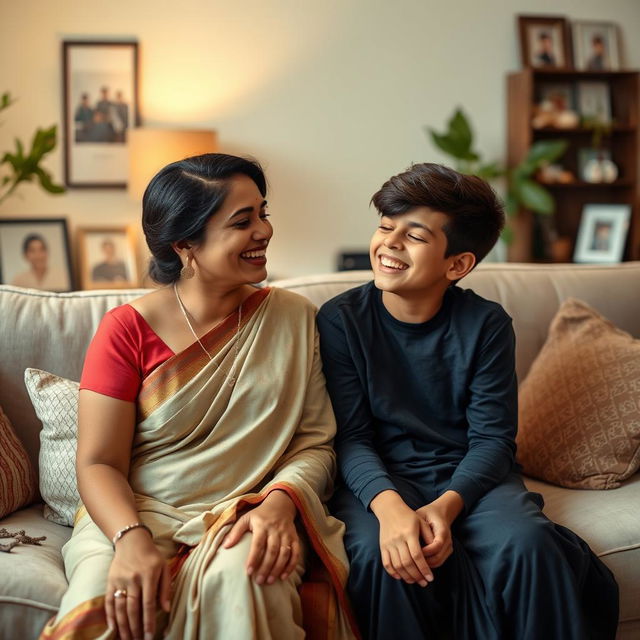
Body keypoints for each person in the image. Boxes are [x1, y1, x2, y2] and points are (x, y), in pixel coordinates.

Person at [40, 154, 358, 640]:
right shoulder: (125, 330)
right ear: (185, 244)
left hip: (246, 510)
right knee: (107, 609)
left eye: (263, 213)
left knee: (247, 578)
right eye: (242, 221)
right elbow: (99, 463)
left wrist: (279, 504)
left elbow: (315, 444)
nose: (265, 231)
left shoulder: (293, 319)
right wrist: (130, 540)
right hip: (134, 513)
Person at [317, 163, 619, 639]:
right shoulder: (340, 320)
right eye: (384, 227)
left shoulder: (487, 324)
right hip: (378, 479)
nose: (390, 243)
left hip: (470, 477)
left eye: (414, 236)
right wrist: (389, 507)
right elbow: (351, 438)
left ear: (457, 264)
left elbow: (494, 439)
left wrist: (447, 506)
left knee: (529, 545)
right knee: (381, 557)